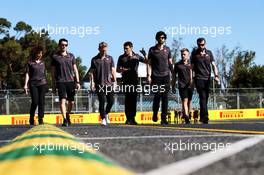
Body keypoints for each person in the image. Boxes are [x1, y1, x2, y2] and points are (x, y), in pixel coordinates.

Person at [116, 41, 148, 125]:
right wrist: (121, 70)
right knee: (127, 100)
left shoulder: (137, 56)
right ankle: (128, 118)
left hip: (134, 81)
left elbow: (147, 61)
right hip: (125, 81)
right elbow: (117, 69)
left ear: (131, 48)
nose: (125, 50)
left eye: (126, 48)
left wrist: (145, 54)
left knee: (133, 100)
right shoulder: (121, 57)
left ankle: (133, 118)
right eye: (124, 48)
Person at [51, 38, 81, 127]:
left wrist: (78, 82)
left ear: (67, 46)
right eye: (62, 45)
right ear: (59, 45)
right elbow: (53, 73)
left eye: (65, 45)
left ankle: (67, 114)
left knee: (71, 102)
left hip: (71, 81)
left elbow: (75, 70)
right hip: (60, 82)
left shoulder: (71, 56)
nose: (64, 46)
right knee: (62, 101)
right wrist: (53, 85)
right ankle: (64, 119)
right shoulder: (55, 57)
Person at [191, 38, 220, 124]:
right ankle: (205, 116)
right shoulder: (194, 53)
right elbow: (191, 67)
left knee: (205, 98)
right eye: (199, 45)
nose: (201, 46)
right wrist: (191, 78)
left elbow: (214, 65)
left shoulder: (209, 53)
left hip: (207, 78)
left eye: (202, 45)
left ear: (205, 44)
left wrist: (216, 75)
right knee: (203, 96)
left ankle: (202, 116)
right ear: (197, 44)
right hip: (199, 78)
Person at [147, 31, 173, 125]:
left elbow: (170, 63)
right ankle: (155, 113)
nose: (161, 39)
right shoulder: (152, 50)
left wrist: (173, 75)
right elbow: (149, 64)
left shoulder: (168, 49)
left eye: (163, 37)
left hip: (166, 76)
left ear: (165, 39)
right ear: (157, 38)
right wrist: (149, 75)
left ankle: (163, 118)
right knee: (157, 96)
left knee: (165, 97)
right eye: (159, 37)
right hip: (155, 76)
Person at [89, 42, 116, 125]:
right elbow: (91, 72)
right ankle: (103, 118)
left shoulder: (110, 58)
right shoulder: (94, 59)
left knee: (111, 101)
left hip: (109, 84)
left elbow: (113, 70)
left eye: (105, 47)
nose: (104, 49)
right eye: (102, 48)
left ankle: (106, 113)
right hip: (99, 84)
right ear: (99, 49)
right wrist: (92, 83)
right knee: (102, 101)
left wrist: (115, 82)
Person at [24, 46, 47, 125]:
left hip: (42, 84)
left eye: (41, 53)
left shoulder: (43, 63)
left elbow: (44, 74)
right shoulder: (30, 63)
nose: (39, 55)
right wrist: (25, 85)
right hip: (33, 84)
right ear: (35, 53)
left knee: (41, 102)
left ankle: (41, 119)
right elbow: (27, 74)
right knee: (35, 102)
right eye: (38, 53)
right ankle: (31, 117)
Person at [172, 48, 193, 124]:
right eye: (182, 54)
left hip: (190, 86)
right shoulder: (178, 65)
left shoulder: (191, 64)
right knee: (185, 100)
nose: (183, 56)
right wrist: (173, 85)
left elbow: (194, 75)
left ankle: (187, 114)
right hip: (182, 86)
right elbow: (174, 76)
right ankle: (187, 117)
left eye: (184, 54)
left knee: (189, 101)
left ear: (188, 55)